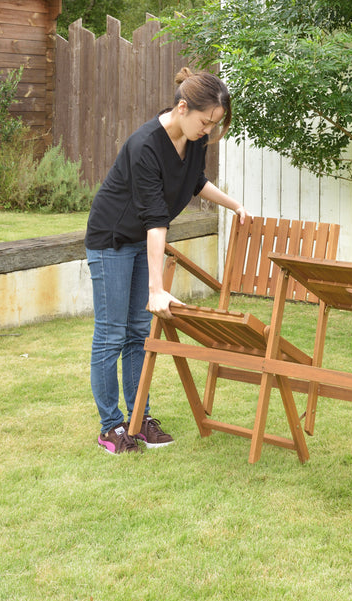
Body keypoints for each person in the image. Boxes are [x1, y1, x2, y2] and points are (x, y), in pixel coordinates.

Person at [84, 67, 249, 454]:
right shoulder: (145, 145)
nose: (208, 130)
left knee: (140, 332)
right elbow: (157, 222)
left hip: (141, 237)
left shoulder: (194, 140)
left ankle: (138, 419)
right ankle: (111, 427)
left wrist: (235, 205)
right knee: (111, 333)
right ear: (182, 108)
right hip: (111, 239)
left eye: (215, 124)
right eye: (206, 121)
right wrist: (157, 289)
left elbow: (194, 182)